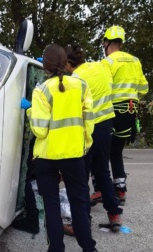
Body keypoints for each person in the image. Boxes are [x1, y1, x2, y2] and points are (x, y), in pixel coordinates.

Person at [21, 44, 97, 251]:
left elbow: (40, 131)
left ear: (45, 66)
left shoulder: (41, 90)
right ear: (65, 63)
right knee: (80, 204)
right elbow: (89, 120)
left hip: (47, 157)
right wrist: (85, 145)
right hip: (74, 154)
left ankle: (56, 248)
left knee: (51, 206)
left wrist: (29, 111)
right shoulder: (81, 85)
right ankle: (89, 247)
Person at [65, 45, 123, 232]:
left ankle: (81, 224)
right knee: (103, 172)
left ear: (68, 63)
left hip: (88, 130)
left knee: (82, 176)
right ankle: (114, 215)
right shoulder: (100, 67)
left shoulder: (75, 79)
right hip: (106, 127)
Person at [100, 25, 149, 206]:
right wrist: (131, 96)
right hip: (130, 111)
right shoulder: (135, 61)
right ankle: (120, 190)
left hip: (113, 112)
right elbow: (144, 88)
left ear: (107, 43)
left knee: (102, 151)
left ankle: (100, 190)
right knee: (116, 151)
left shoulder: (109, 62)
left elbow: (103, 88)